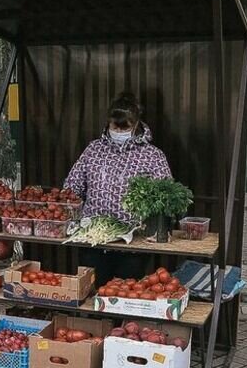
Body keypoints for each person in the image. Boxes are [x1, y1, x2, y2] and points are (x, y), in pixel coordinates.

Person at [63, 92, 172, 284]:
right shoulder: (93, 150)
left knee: (125, 294)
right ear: (108, 123)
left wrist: (161, 229)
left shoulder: (152, 156)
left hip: (133, 244)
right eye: (116, 126)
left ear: (136, 124)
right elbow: (72, 187)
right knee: (92, 292)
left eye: (125, 126)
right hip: (93, 240)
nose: (119, 130)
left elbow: (166, 196)